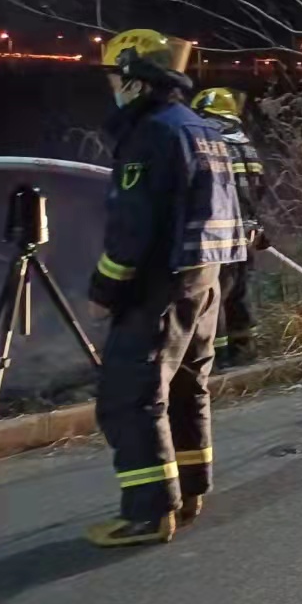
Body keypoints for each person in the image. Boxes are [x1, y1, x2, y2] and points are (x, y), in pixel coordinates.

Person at [86, 30, 248, 546]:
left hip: (161, 283)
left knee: (129, 395)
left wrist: (105, 288)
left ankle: (148, 513)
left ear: (136, 80)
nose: (112, 88)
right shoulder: (203, 128)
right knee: (185, 386)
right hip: (206, 279)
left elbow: (133, 223)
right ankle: (191, 489)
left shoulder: (151, 133)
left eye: (115, 78)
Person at [193, 88, 266, 369]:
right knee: (240, 292)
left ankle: (217, 357)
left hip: (219, 232)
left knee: (214, 296)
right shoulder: (246, 144)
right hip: (248, 232)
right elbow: (259, 189)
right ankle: (245, 349)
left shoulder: (209, 142)